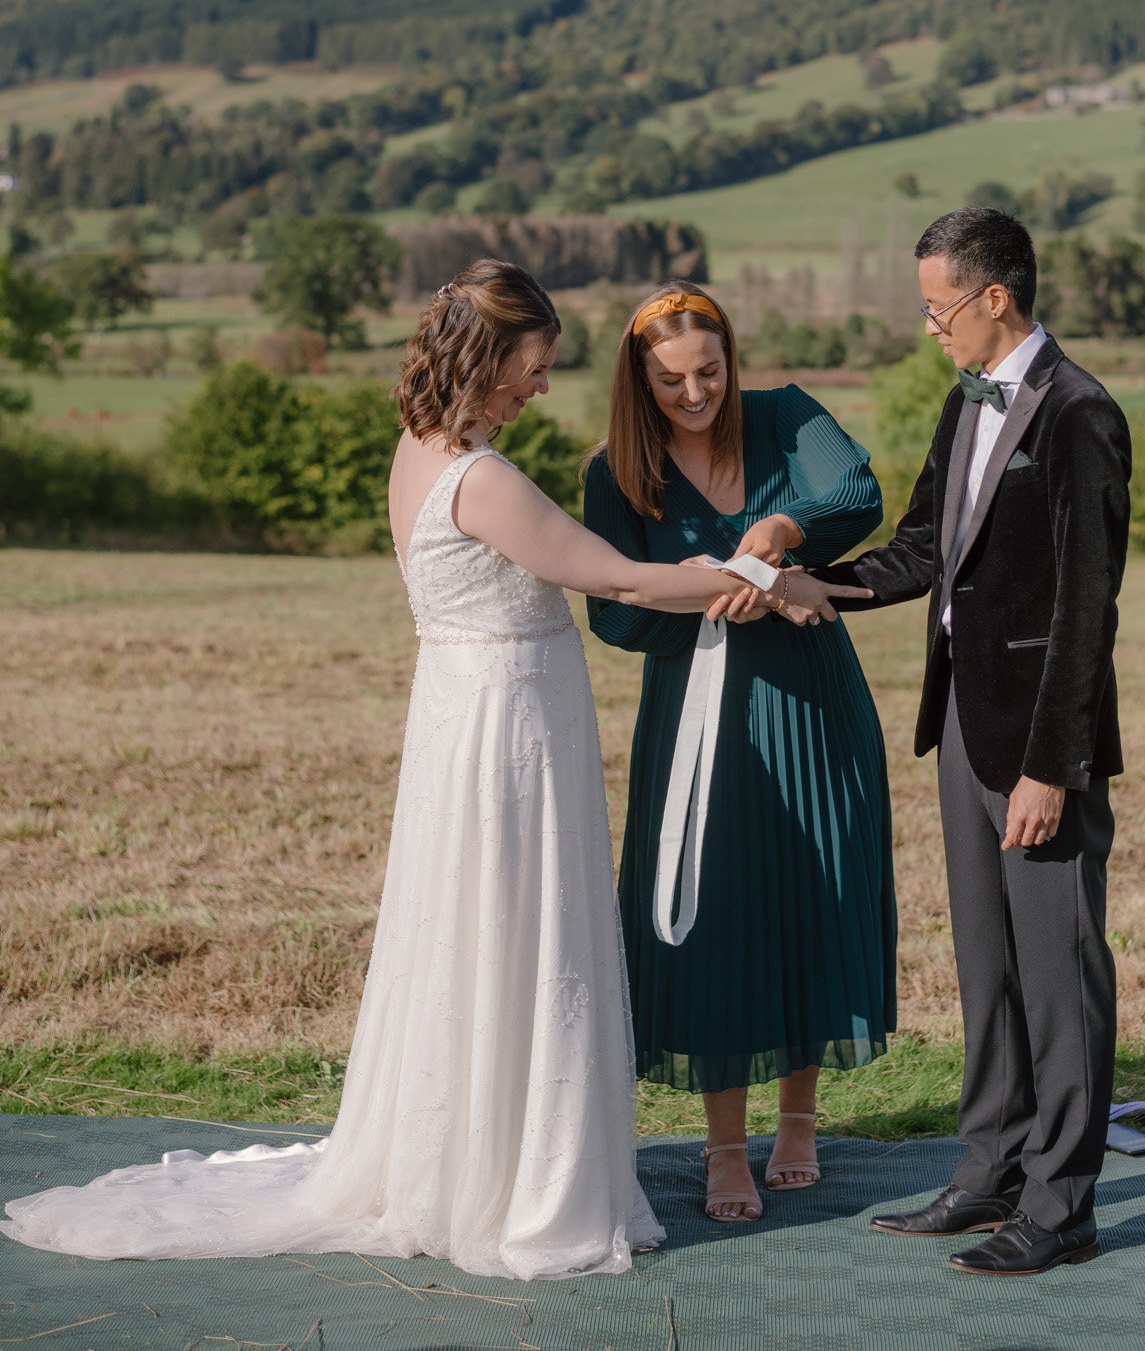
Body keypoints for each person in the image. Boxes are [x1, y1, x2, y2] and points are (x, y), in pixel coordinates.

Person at [2, 260, 863, 1277]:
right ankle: (518, 1181)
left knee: (476, 939)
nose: (541, 387)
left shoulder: (418, 452)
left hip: (468, 722)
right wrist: (777, 578)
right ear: (488, 360)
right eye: (533, 367)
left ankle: (473, 1153)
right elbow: (624, 577)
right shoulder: (484, 477)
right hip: (509, 735)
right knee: (518, 935)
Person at [814, 208, 1130, 1277]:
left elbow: (1089, 611)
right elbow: (920, 551)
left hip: (1040, 743)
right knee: (986, 967)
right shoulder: (969, 399)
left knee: (1060, 974)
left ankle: (1063, 1207)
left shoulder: (1082, 415)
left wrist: (1054, 763)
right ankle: (989, 1171)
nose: (929, 329)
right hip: (959, 725)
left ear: (996, 298)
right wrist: (821, 587)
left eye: (937, 308)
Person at [583, 282, 896, 1225]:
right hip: (696, 719)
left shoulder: (787, 417)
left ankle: (797, 1123)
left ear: (731, 359)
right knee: (716, 910)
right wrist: (733, 585)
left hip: (811, 703)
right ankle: (726, 1145)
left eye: (709, 371)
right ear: (639, 379)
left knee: (814, 892)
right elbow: (610, 609)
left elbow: (859, 494)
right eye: (672, 378)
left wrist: (778, 535)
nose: (694, 393)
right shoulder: (616, 471)